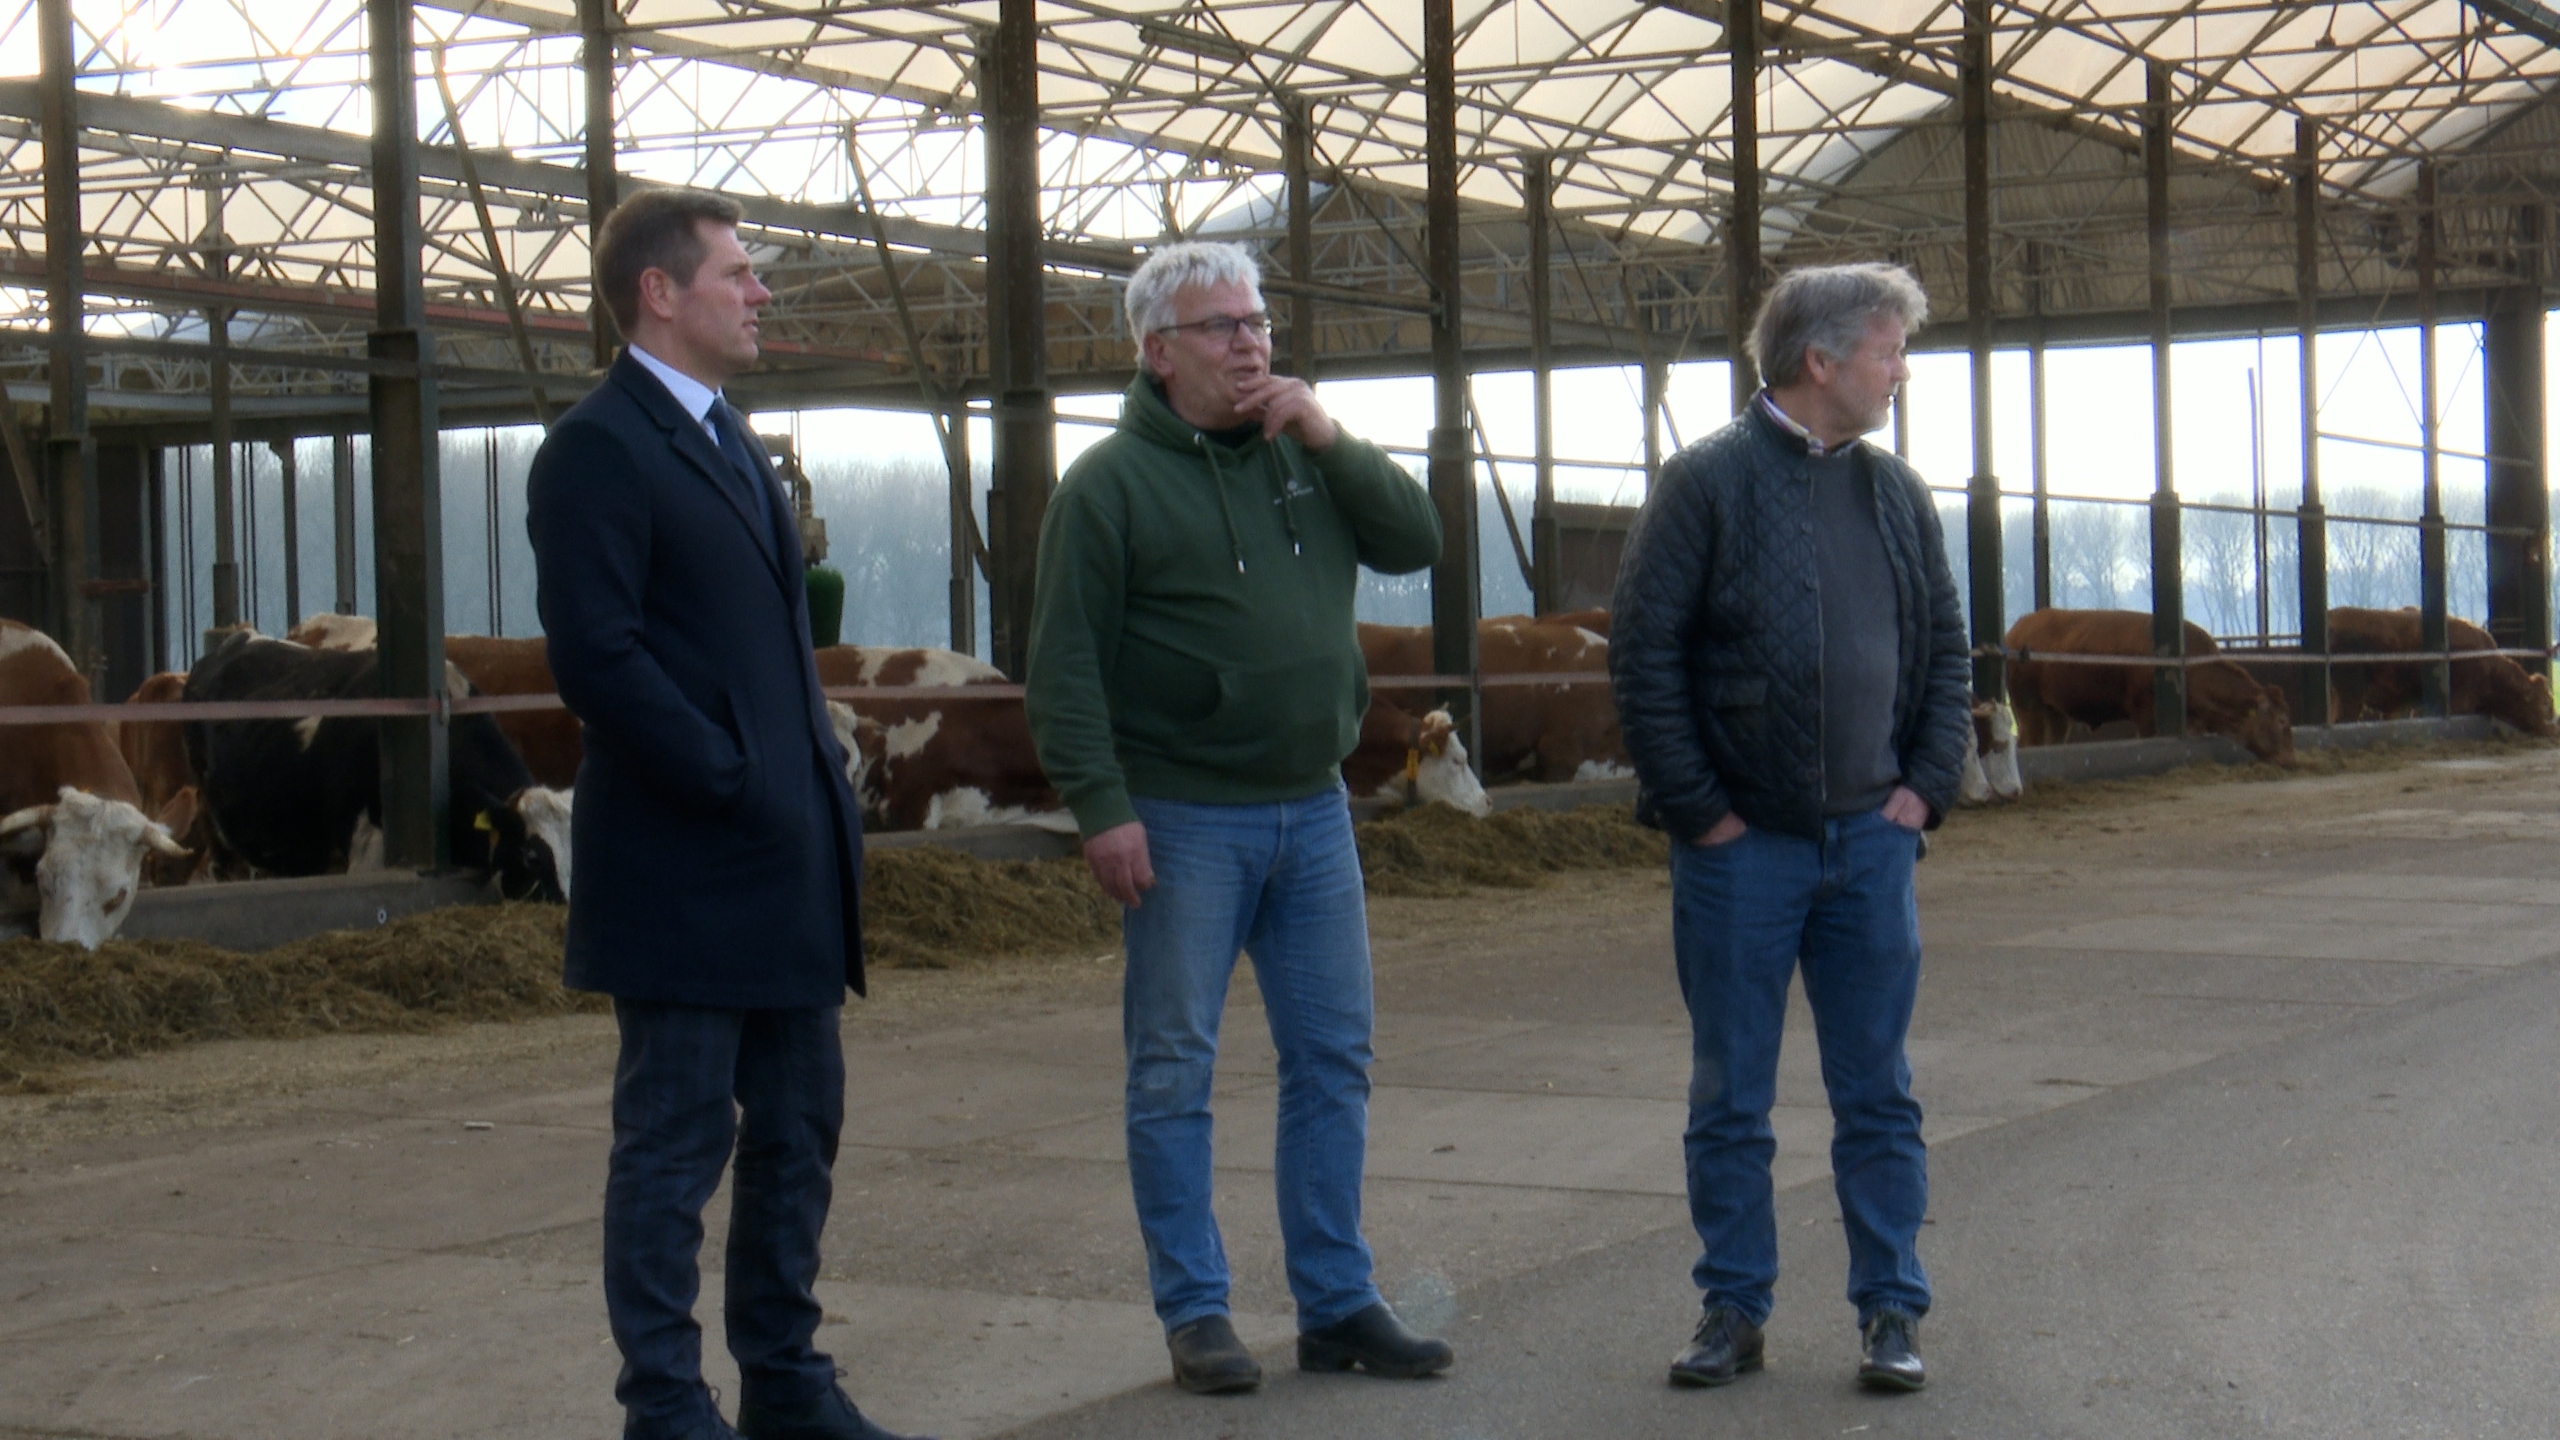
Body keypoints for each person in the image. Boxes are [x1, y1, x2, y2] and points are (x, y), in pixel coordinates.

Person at [526, 188, 930, 1440]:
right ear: (661, 291)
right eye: (739, 272)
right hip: (689, 865)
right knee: (673, 1143)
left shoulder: (731, 441)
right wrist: (727, 773)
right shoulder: (599, 447)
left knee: (800, 1128)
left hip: (789, 862)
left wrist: (799, 785)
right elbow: (598, 656)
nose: (760, 293)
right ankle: (665, 1404)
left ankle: (786, 1380)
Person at [1023, 240, 1454, 1395]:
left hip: (1311, 811)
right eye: (1221, 327)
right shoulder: (1108, 486)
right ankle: (1197, 1312)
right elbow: (1060, 667)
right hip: (1181, 817)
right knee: (1173, 1066)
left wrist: (1328, 436)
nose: (1251, 343)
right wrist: (1101, 810)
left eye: (1258, 322)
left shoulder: (1298, 457)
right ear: (1159, 353)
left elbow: (1417, 543)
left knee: (1333, 1056)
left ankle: (1336, 1301)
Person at [1608, 262, 1971, 1395]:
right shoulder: (1705, 484)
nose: (1899, 372)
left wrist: (1924, 785)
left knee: (1877, 1089)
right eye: (1887, 352)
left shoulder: (1895, 493)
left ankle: (1890, 1311)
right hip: (1741, 850)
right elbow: (1644, 657)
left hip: (1870, 841)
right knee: (1731, 1092)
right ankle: (1733, 1307)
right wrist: (1700, 812)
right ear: (1821, 363)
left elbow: (1948, 649)